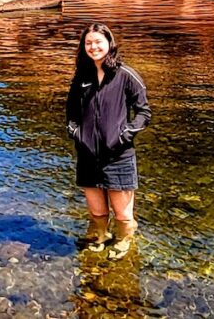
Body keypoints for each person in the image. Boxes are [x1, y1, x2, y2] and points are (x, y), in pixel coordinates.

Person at [66, 23, 151, 260]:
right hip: (88, 155)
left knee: (123, 214)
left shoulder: (126, 75)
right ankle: (101, 235)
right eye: (88, 43)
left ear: (109, 43)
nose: (93, 47)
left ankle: (124, 241)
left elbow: (144, 113)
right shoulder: (82, 77)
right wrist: (75, 133)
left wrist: (126, 134)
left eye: (98, 42)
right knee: (97, 211)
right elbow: (71, 111)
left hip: (118, 155)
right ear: (84, 47)